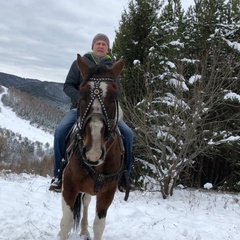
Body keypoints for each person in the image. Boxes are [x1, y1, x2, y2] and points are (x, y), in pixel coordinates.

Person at [49, 33, 134, 192]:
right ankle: (59, 175)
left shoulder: (112, 67)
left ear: (108, 48)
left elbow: (117, 91)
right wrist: (83, 97)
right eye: (98, 43)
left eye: (104, 44)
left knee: (128, 135)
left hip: (106, 113)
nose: (101, 46)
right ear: (93, 46)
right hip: (80, 109)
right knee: (60, 132)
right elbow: (68, 86)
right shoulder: (79, 64)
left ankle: (124, 176)